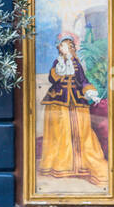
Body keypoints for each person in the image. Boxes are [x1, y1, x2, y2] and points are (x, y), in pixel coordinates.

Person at [38, 31, 107, 186]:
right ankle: (62, 166)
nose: (64, 49)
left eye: (66, 46)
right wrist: (60, 66)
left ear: (71, 48)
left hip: (76, 101)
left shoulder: (76, 64)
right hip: (59, 101)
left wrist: (90, 92)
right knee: (61, 132)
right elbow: (52, 78)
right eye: (62, 46)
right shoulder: (58, 63)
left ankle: (81, 165)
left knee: (81, 131)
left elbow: (83, 80)